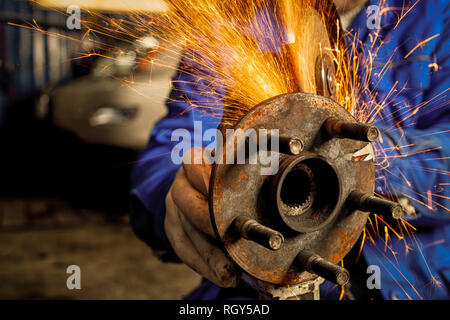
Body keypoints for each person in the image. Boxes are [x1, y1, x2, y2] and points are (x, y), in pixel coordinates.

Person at [129, 0, 450, 300]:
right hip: (250, 289)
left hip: (406, 285)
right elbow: (172, 149)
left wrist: (360, 160)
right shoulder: (229, 24)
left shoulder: (436, 15)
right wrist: (179, 196)